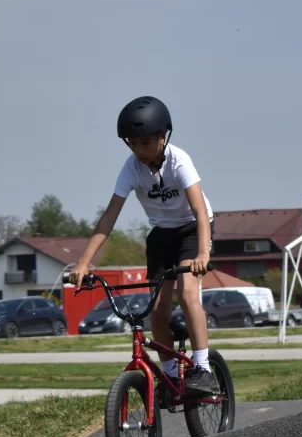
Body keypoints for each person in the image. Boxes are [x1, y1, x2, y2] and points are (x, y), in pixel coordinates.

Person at [67, 96, 218, 395]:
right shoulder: (131, 167)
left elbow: (200, 211)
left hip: (191, 229)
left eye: (146, 143)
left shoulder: (180, 160)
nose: (139, 150)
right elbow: (109, 217)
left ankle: (203, 368)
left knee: (187, 293)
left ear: (163, 138)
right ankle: (172, 374)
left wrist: (202, 253)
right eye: (132, 144)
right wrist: (84, 262)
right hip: (161, 234)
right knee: (157, 310)